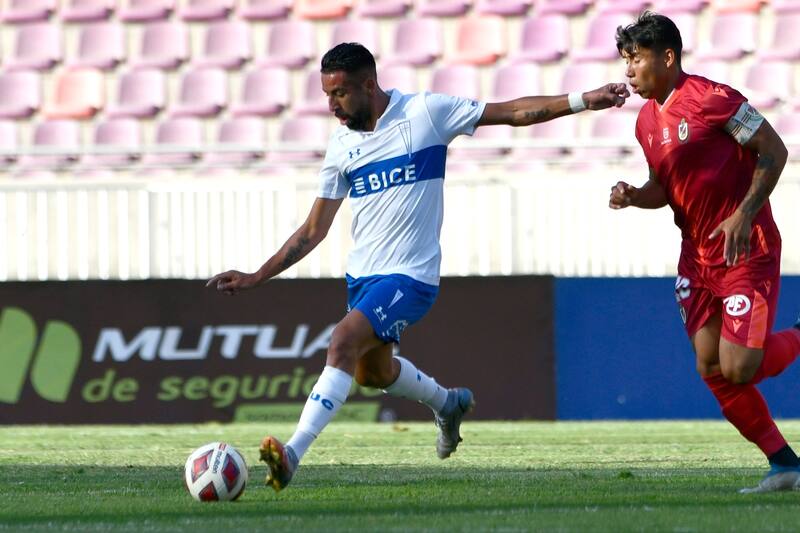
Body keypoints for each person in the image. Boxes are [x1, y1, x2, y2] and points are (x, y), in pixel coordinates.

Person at [208, 42, 629, 492]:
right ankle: (448, 404)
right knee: (373, 375)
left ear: (369, 85)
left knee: (342, 341)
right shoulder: (341, 146)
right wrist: (257, 275)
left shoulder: (426, 113)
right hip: (363, 278)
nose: (332, 105)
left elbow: (513, 112)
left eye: (341, 94)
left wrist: (584, 99)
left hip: (411, 277)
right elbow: (314, 230)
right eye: (327, 95)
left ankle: (292, 454)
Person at [610, 12, 800, 493]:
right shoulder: (645, 122)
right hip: (696, 257)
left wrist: (743, 213)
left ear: (667, 57)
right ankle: (785, 464)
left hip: (745, 248)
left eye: (636, 58)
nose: (628, 69)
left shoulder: (714, 100)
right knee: (709, 364)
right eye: (625, 59)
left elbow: (774, 150)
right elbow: (664, 187)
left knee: (739, 366)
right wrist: (636, 195)